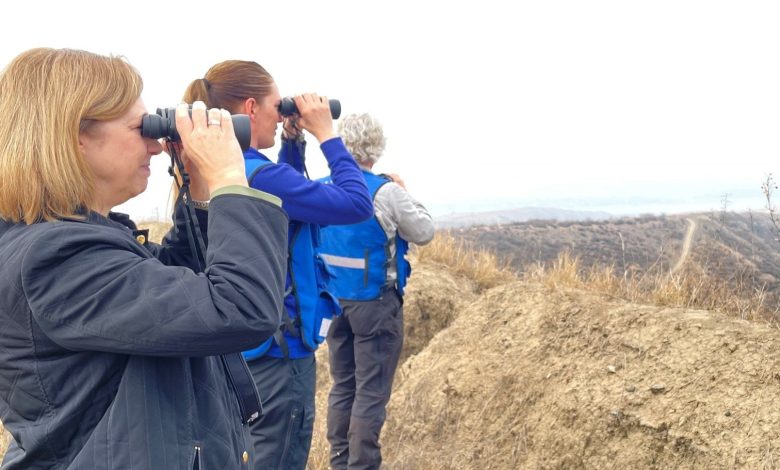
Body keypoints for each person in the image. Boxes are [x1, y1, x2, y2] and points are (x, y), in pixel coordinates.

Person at [0, 48, 289, 470]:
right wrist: (230, 176)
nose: (156, 145)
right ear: (75, 133)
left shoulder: (86, 241)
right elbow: (238, 307)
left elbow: (182, 281)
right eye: (142, 128)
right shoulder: (53, 258)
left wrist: (203, 188)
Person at [181, 60, 373, 470]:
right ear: (250, 109)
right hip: (279, 352)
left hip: (241, 348)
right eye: (275, 106)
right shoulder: (262, 177)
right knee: (278, 455)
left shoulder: (227, 170)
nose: (279, 113)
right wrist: (326, 133)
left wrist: (291, 144)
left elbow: (282, 212)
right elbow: (357, 203)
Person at [319, 113, 435, 470]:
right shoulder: (385, 191)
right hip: (376, 305)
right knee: (370, 391)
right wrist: (404, 190)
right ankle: (362, 465)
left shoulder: (323, 187)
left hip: (334, 302)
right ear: (375, 147)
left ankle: (341, 462)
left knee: (343, 386)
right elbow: (424, 232)